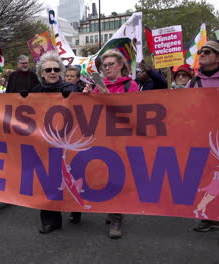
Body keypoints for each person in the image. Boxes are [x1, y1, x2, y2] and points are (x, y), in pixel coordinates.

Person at [83, 49, 138, 239]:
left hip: (122, 138)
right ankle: (112, 208)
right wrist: (87, 96)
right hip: (103, 137)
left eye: (111, 64)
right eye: (104, 65)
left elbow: (132, 110)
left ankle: (117, 216)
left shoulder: (131, 85)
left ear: (121, 65)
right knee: (105, 173)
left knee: (119, 175)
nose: (107, 68)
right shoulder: (98, 86)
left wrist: (108, 97)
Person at [27, 51, 81, 234]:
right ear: (41, 73)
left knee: (73, 176)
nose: (52, 72)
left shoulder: (69, 88)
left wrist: (70, 96)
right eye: (48, 69)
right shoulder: (35, 91)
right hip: (44, 143)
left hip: (68, 142)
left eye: (56, 69)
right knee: (49, 181)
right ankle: (51, 220)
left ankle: (76, 209)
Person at [188, 40, 219, 247]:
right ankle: (211, 217)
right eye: (201, 51)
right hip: (204, 140)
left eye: (207, 51)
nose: (202, 54)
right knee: (209, 179)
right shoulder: (194, 82)